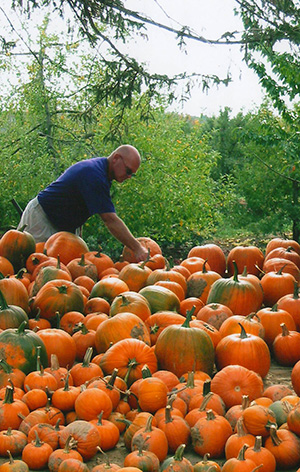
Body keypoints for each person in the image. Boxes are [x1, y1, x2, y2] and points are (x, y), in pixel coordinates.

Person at [18, 144, 149, 262]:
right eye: (128, 171)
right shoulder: (94, 174)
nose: (129, 176)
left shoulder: (103, 175)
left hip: (62, 228)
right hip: (42, 219)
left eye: (132, 174)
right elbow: (110, 220)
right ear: (116, 158)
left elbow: (79, 205)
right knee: (27, 266)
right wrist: (137, 248)